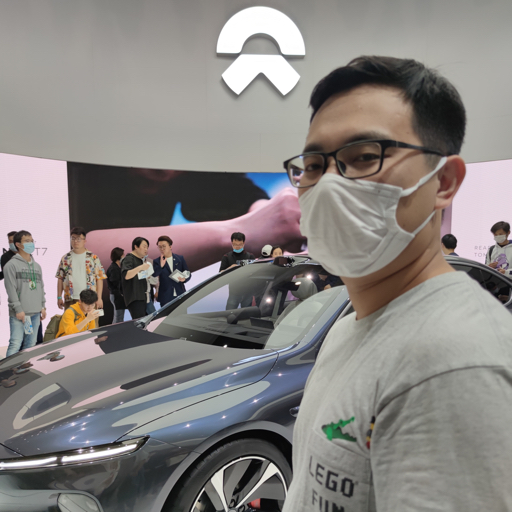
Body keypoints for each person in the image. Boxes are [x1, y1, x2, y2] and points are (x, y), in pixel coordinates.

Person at [282, 56, 512, 512]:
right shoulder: (350, 327)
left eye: (365, 157)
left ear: (443, 182)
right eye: (312, 165)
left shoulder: (456, 361)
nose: (327, 184)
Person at [4, 231, 46, 357]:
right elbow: (11, 289)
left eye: (32, 241)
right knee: (15, 343)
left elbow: (41, 287)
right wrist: (18, 309)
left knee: (30, 344)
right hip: (20, 314)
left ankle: (25, 368)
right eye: (27, 241)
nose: (31, 243)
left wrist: (42, 306)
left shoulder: (37, 266)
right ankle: (8, 369)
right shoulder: (11, 265)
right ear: (18, 244)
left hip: (34, 313)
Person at [56, 227, 106, 312]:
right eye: (73, 238)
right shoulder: (65, 258)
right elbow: (60, 278)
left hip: (90, 300)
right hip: (70, 299)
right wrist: (59, 297)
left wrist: (99, 298)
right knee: (70, 320)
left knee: (91, 320)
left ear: (84, 241)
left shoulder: (93, 257)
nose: (75, 241)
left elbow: (99, 278)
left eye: (79, 239)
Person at [152, 236, 191, 307]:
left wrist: (185, 279)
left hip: (180, 293)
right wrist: (161, 266)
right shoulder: (157, 261)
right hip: (165, 296)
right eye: (159, 247)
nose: (162, 249)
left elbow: (187, 272)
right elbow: (154, 274)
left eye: (164, 246)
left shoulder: (180, 258)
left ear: (170, 247)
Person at [121, 237, 151, 320]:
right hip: (135, 298)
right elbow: (126, 275)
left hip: (142, 296)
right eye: (144, 246)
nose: (146, 249)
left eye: (147, 247)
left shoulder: (140, 260)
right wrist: (141, 267)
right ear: (136, 247)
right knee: (139, 322)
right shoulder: (129, 258)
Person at [106, 247, 125, 324]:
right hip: (117, 296)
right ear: (119, 256)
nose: (124, 257)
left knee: (118, 317)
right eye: (123, 255)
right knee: (118, 318)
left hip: (116, 295)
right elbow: (116, 283)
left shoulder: (115, 267)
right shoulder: (114, 269)